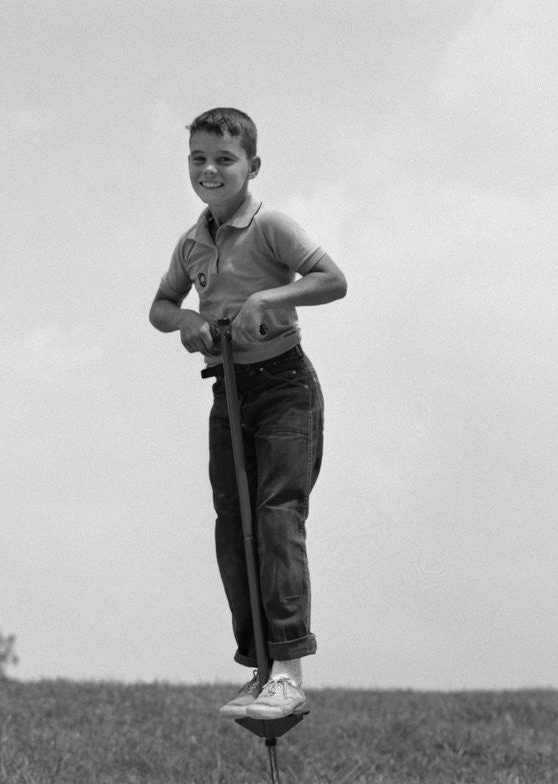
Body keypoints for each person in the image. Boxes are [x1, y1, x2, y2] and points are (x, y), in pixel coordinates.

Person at [149, 107, 346, 720]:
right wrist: (185, 320)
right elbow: (160, 305)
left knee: (277, 517)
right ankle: (259, 669)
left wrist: (268, 296)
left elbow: (332, 280)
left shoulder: (271, 226)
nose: (210, 169)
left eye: (224, 159)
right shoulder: (192, 241)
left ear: (252, 166)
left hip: (286, 386)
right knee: (234, 527)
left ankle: (288, 672)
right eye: (198, 159)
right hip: (228, 392)